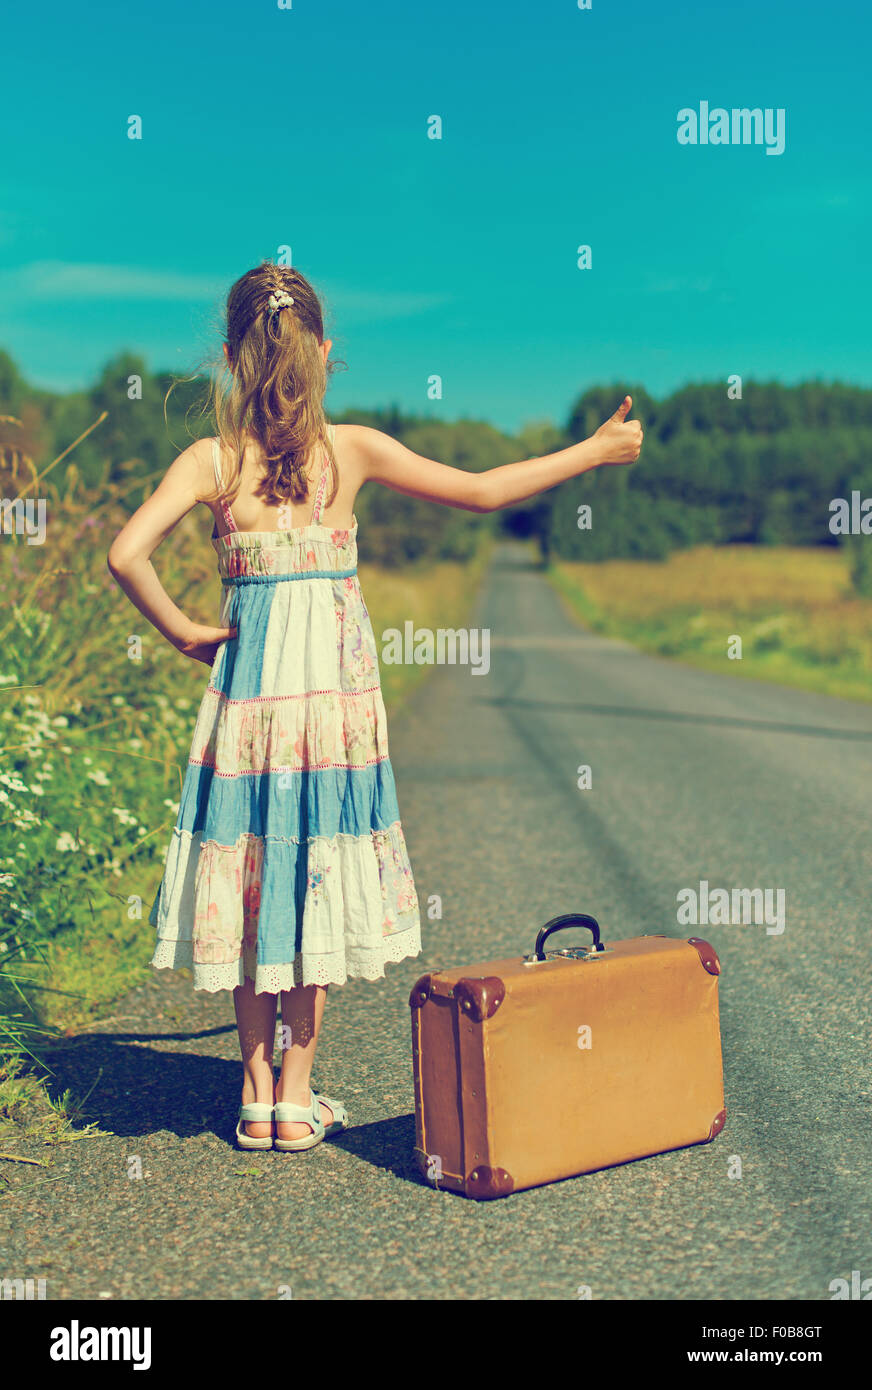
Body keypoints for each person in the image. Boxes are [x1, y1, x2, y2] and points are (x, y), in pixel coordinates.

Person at [106, 261, 643, 1152]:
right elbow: (482, 490)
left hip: (248, 719)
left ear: (233, 360)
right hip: (331, 727)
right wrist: (593, 450)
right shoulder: (349, 451)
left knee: (255, 887)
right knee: (313, 882)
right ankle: (298, 1096)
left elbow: (127, 553)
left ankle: (253, 1094)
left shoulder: (211, 462)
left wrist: (183, 634)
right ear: (324, 352)